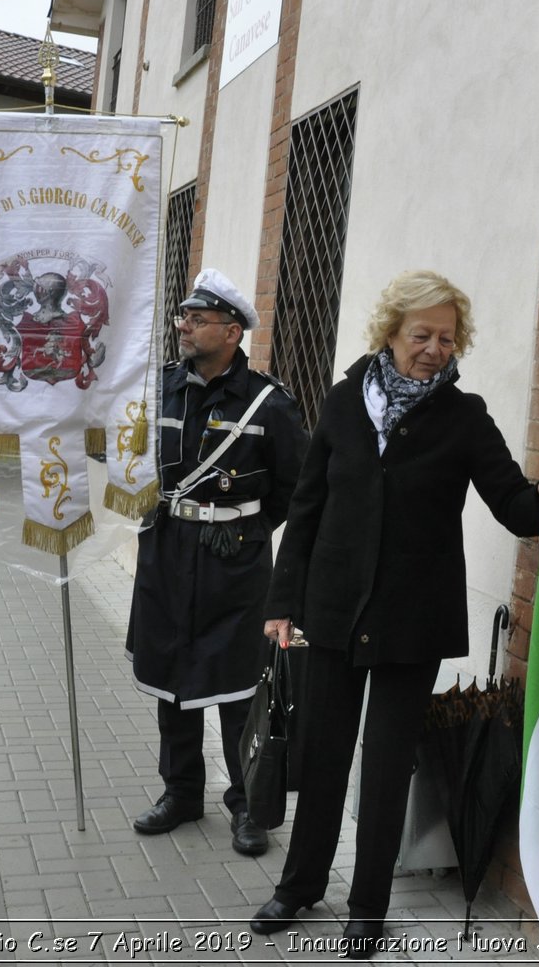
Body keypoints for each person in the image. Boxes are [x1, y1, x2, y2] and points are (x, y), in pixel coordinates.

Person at [249, 270, 539, 958]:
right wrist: (283, 601)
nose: (433, 348)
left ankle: (368, 905)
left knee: (389, 762)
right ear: (390, 332)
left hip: (411, 617)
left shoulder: (464, 416)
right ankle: (300, 883)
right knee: (324, 752)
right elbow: (305, 509)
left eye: (447, 337)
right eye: (421, 334)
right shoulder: (342, 403)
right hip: (333, 609)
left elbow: (511, 502)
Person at [124, 269, 309, 856]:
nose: (184, 326)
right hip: (167, 554)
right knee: (171, 679)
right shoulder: (160, 389)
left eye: (197, 319)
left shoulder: (268, 403)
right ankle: (180, 792)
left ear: (232, 332)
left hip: (236, 565)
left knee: (238, 686)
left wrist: (250, 530)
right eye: (183, 316)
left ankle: (247, 804)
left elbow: (298, 487)